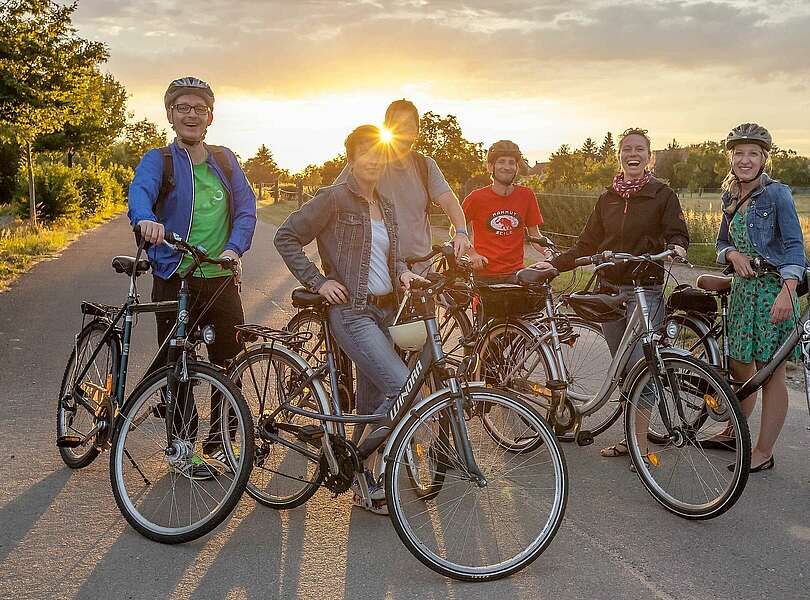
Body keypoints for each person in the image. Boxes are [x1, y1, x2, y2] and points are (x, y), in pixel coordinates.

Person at [274, 125, 426, 513]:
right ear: (351, 158)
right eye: (365, 152)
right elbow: (286, 236)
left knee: (374, 402)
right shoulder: (333, 199)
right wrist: (318, 281)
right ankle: (362, 468)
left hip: (388, 310)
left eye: (378, 152)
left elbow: (389, 258)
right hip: (353, 313)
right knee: (402, 387)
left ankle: (362, 479)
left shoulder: (386, 204)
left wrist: (403, 274)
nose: (373, 160)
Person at [535, 127, 689, 468]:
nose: (632, 154)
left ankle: (638, 445)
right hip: (609, 290)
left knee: (643, 366)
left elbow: (677, 231)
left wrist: (677, 246)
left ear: (650, 157)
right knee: (622, 369)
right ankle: (630, 439)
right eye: (626, 149)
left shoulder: (662, 194)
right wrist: (555, 264)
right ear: (618, 156)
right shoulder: (607, 198)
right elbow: (586, 244)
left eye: (640, 149)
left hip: (645, 290)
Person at [128, 76, 257, 476]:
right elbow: (139, 195)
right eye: (182, 107)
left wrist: (234, 248)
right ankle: (182, 448)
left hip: (219, 277)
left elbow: (247, 209)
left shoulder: (224, 159)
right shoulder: (159, 160)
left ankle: (220, 444)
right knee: (178, 362)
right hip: (175, 274)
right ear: (170, 115)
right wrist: (147, 220)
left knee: (228, 363)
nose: (191, 115)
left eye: (199, 109)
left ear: (210, 117)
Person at [714, 123, 805, 472]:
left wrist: (788, 290)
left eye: (752, 153)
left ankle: (763, 451)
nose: (745, 159)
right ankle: (732, 430)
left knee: (771, 374)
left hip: (772, 292)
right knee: (741, 369)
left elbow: (795, 246)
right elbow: (723, 243)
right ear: (731, 158)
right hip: (742, 293)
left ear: (764, 158)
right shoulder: (730, 196)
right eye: (739, 153)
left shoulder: (777, 194)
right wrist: (732, 256)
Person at [334, 99, 471, 267]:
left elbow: (449, 201)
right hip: (375, 270)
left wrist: (461, 232)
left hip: (420, 269)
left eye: (408, 124)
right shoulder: (370, 162)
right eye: (396, 124)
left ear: (417, 131)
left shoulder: (425, 165)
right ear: (386, 128)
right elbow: (332, 198)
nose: (402, 130)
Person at [462, 140, 548, 284]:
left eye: (511, 162)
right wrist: (472, 254)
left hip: (516, 274)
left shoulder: (526, 195)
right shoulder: (476, 198)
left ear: (517, 167)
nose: (507, 167)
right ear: (490, 167)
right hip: (484, 274)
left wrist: (549, 252)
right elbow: (457, 231)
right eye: (501, 162)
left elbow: (535, 235)